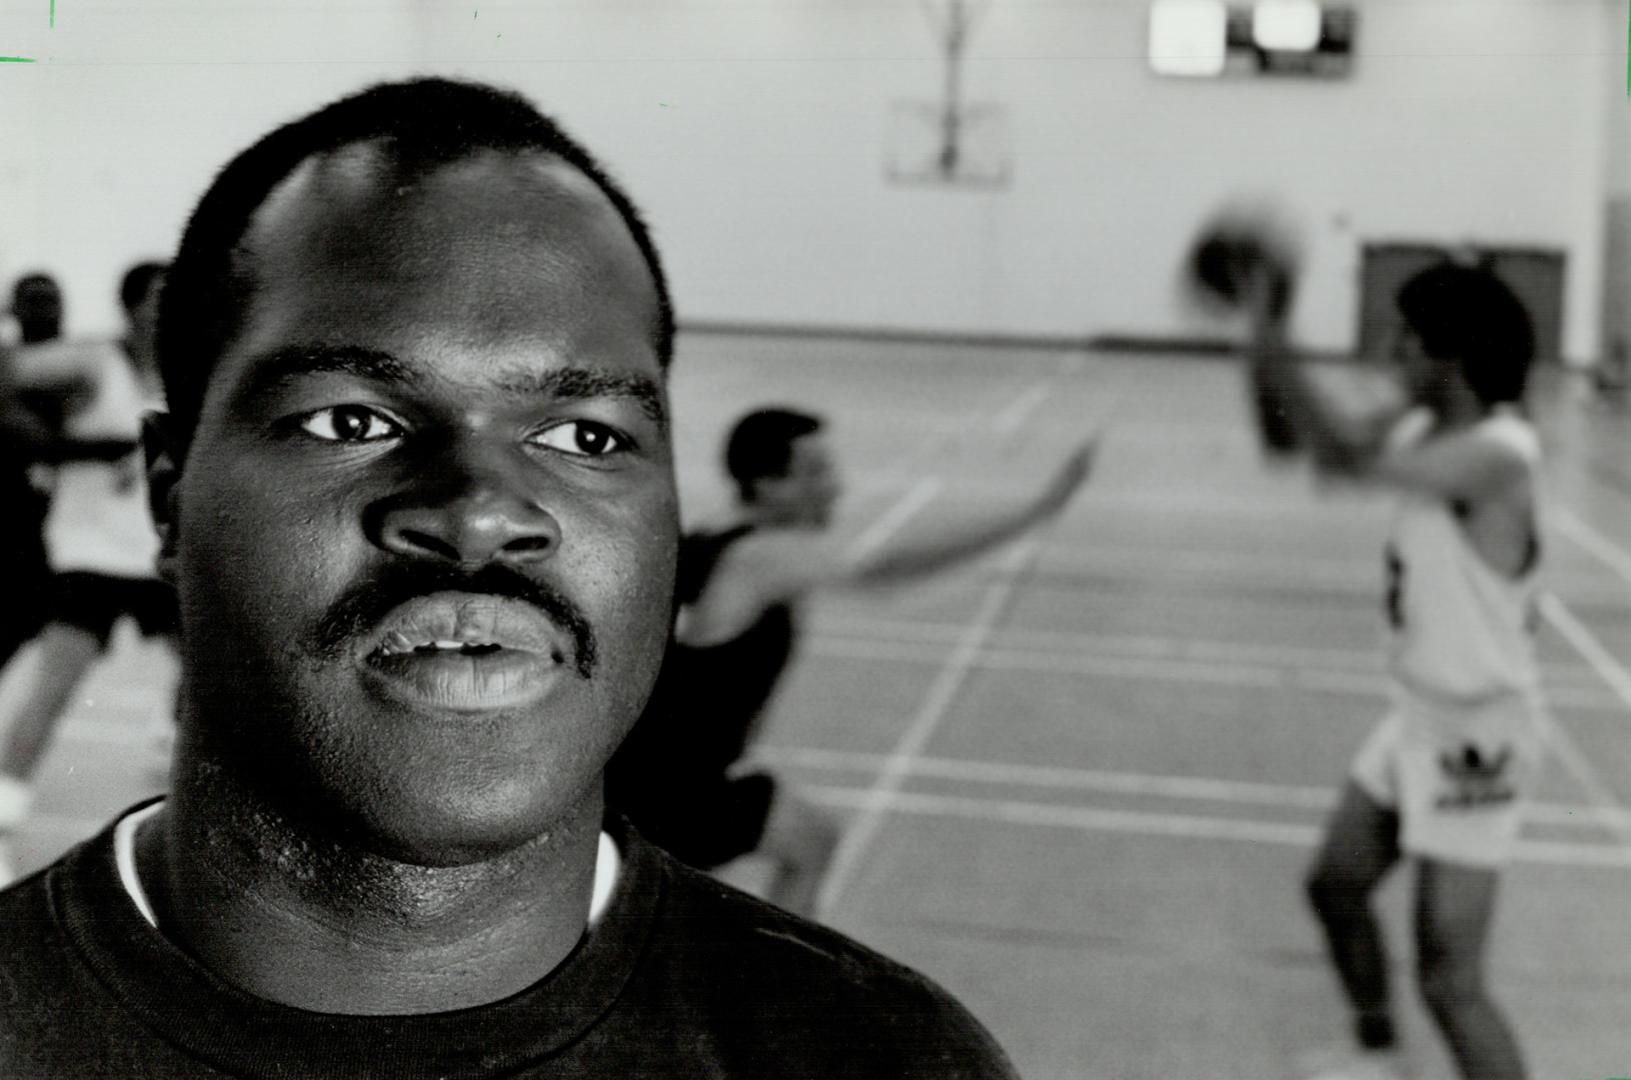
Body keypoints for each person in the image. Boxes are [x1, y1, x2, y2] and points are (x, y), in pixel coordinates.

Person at [0, 78, 1020, 1077]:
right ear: (170, 495)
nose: (483, 511)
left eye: (582, 434)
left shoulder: (888, 1057)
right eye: (348, 422)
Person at [1233, 245, 1540, 1080]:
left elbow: (1340, 454)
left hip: (1476, 735)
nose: (1390, 353)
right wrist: (1258, 346)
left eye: (1406, 339)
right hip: (1416, 716)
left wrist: (1270, 326)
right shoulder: (1418, 426)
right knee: (1335, 885)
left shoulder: (1499, 454)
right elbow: (1292, 437)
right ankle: (1378, 1053)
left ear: (1451, 353)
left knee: (1452, 981)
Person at [608, 407, 1092, 916]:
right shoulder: (764, 557)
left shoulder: (708, 540)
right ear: (767, 484)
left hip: (648, 774)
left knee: (795, 848)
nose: (835, 487)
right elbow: (889, 568)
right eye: (815, 473)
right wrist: (1035, 511)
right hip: (670, 789)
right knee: (803, 848)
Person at [0, 262, 177, 881]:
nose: (167, 307)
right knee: (58, 681)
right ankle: (6, 806)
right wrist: (50, 440)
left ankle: (176, 775)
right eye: (156, 298)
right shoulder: (91, 366)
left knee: (211, 677)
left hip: (160, 553)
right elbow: (7, 374)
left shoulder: (195, 370)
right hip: (91, 554)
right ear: (130, 307)